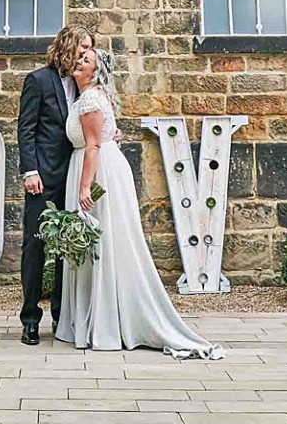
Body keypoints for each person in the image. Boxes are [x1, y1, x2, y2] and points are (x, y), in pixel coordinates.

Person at [55, 45, 225, 360]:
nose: (79, 61)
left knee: (101, 241)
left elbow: (92, 145)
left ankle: (105, 322)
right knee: (101, 242)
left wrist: (84, 188)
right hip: (101, 165)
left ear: (96, 71)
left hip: (97, 171)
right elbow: (103, 136)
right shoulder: (89, 97)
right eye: (80, 58)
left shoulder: (91, 99)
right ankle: (97, 317)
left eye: (86, 60)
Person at [16, 28, 86, 345]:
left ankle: (61, 315)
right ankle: (30, 317)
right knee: (36, 246)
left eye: (90, 49)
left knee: (65, 248)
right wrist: (30, 170)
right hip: (42, 178)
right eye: (83, 47)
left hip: (72, 176)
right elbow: (26, 128)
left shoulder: (86, 84)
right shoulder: (38, 80)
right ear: (68, 46)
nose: (87, 53)